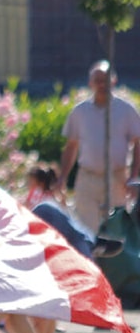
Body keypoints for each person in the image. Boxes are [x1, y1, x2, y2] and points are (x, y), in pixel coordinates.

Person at [59, 60, 140, 235]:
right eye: (98, 80)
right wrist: (62, 177)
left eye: (106, 80)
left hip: (117, 178)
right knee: (86, 231)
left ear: (114, 81)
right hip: (88, 177)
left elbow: (138, 143)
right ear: (90, 83)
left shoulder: (126, 110)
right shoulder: (80, 112)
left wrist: (134, 177)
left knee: (116, 232)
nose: (102, 84)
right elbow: (71, 146)